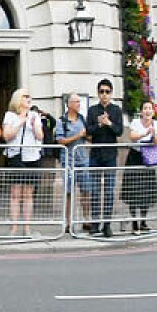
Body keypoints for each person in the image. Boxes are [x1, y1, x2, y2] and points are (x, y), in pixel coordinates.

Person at [1, 89, 44, 236]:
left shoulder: (35, 115)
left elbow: (40, 136)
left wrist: (34, 125)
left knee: (28, 194)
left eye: (29, 96)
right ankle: (13, 228)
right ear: (18, 99)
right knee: (15, 193)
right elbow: (6, 136)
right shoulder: (10, 115)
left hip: (32, 157)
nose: (28, 98)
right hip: (16, 156)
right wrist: (20, 122)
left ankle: (27, 228)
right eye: (25, 96)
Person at [85, 79, 123, 237]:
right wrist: (99, 124)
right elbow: (88, 130)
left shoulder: (116, 110)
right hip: (95, 155)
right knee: (94, 190)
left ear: (111, 93)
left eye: (107, 92)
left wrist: (108, 123)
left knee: (108, 190)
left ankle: (107, 224)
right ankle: (95, 224)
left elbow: (119, 131)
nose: (104, 95)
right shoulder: (93, 110)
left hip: (110, 156)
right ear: (98, 93)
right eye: (102, 91)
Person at [119, 101, 157, 234]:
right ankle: (134, 222)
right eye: (145, 108)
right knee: (133, 189)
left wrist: (154, 134)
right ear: (141, 111)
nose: (147, 111)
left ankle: (143, 221)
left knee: (146, 189)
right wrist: (144, 133)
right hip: (135, 156)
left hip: (148, 157)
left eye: (150, 109)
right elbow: (132, 137)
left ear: (152, 112)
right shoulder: (136, 122)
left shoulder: (156, 124)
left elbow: (156, 141)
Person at [56, 94, 92, 233]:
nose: (79, 104)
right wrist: (79, 135)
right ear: (69, 104)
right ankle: (68, 222)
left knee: (85, 190)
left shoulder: (82, 119)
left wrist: (90, 135)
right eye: (76, 101)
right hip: (68, 160)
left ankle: (86, 219)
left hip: (83, 159)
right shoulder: (62, 121)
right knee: (69, 192)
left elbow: (88, 136)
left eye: (79, 101)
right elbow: (60, 140)